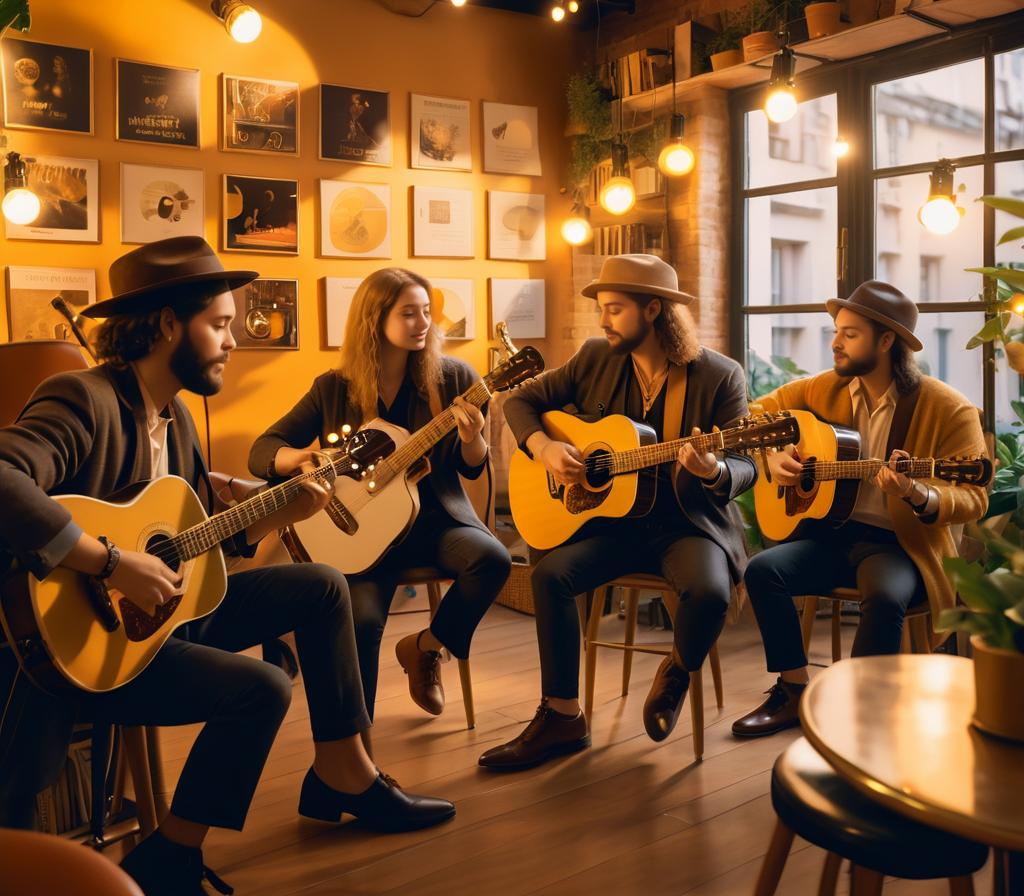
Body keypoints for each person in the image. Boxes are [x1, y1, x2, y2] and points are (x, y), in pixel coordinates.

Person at [0, 238, 453, 896]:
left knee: (323, 588)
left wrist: (275, 512)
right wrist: (109, 560)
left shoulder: (176, 416)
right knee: (262, 688)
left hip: (161, 622)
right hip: (82, 645)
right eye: (219, 325)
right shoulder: (83, 397)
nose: (233, 341)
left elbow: (193, 544)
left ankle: (343, 771)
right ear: (165, 326)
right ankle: (174, 855)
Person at [478, 254, 756, 771]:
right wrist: (543, 448)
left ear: (654, 311)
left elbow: (747, 464)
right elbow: (518, 402)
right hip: (614, 523)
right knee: (553, 576)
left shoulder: (718, 375)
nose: (602, 321)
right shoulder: (594, 358)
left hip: (685, 525)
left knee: (711, 591)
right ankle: (562, 716)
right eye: (602, 310)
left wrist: (714, 469)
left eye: (614, 309)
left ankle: (675, 670)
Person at [249, 267, 510, 722]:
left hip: (435, 523)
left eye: (427, 312)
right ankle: (356, 748)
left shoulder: (454, 381)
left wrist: (473, 439)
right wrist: (302, 459)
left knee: (493, 559)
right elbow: (263, 451)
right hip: (359, 534)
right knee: (361, 622)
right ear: (374, 319)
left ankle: (425, 649)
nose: (423, 323)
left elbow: (470, 467)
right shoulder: (333, 388)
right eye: (409, 313)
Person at [731, 280, 989, 739]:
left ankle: (866, 714)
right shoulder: (823, 389)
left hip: (899, 545)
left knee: (885, 597)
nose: (835, 342)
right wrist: (774, 454)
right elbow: (752, 414)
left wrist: (917, 493)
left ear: (886, 341)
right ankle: (792, 691)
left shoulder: (948, 408)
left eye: (849, 334)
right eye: (836, 331)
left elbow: (974, 495)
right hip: (831, 535)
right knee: (763, 571)